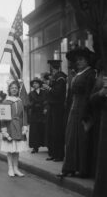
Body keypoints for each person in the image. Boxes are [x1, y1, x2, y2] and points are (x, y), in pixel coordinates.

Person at [58, 47, 97, 178]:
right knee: (70, 139)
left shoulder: (90, 74)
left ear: (87, 61)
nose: (79, 62)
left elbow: (88, 94)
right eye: (77, 60)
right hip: (73, 111)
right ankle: (70, 167)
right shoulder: (76, 74)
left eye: (82, 59)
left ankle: (83, 169)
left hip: (83, 109)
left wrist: (86, 114)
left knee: (82, 140)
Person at [1, 81, 29, 177]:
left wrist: (24, 126)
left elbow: (24, 115)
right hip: (10, 126)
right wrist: (4, 130)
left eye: (16, 88)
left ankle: (16, 168)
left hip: (18, 126)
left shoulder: (20, 101)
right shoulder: (6, 102)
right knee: (10, 149)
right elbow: (3, 117)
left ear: (18, 90)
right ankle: (10, 168)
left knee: (16, 150)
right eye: (12, 88)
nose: (14, 89)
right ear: (9, 89)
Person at [43, 60, 67, 162]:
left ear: (54, 67)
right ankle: (53, 153)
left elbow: (57, 92)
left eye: (52, 67)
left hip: (58, 107)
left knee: (57, 131)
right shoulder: (55, 77)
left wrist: (48, 87)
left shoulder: (61, 77)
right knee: (51, 131)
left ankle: (59, 155)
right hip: (52, 107)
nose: (51, 69)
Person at [28, 78, 46, 153]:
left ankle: (46, 144)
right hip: (34, 114)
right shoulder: (31, 93)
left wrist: (45, 108)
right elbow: (29, 103)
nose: (35, 84)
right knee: (34, 131)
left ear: (39, 84)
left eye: (36, 83)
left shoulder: (44, 92)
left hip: (43, 114)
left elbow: (46, 100)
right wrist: (33, 104)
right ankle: (35, 147)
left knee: (43, 130)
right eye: (33, 83)